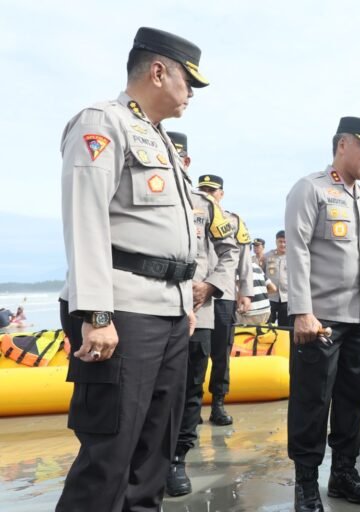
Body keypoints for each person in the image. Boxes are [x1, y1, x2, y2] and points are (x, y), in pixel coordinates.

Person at [56, 27, 208, 511]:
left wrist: (184, 304)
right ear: (159, 71)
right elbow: (86, 217)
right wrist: (96, 313)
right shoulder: (104, 122)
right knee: (108, 459)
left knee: (151, 463)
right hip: (122, 313)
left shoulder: (161, 140)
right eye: (189, 81)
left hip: (167, 313)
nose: (191, 95)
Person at [285, 116, 360, 511]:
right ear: (342, 144)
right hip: (320, 320)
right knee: (312, 402)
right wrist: (302, 312)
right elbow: (297, 251)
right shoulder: (311, 189)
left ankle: (343, 473)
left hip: (359, 319)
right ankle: (306, 484)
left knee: (352, 401)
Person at [164, 133, 238, 497]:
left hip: (199, 311)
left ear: (186, 161)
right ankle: (150, 458)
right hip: (151, 310)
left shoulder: (204, 205)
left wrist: (210, 286)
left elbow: (229, 251)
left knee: (192, 387)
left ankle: (177, 458)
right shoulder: (142, 199)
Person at [199, 174, 254, 426]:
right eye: (204, 190)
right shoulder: (192, 214)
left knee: (221, 353)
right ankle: (192, 405)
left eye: (213, 190)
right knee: (195, 352)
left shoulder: (234, 221)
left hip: (223, 296)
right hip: (197, 294)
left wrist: (246, 292)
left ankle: (218, 403)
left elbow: (243, 259)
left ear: (222, 193)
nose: (209, 194)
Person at [240, 259, 277, 324]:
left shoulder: (240, 266)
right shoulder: (256, 267)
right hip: (266, 310)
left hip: (250, 312)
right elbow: (273, 288)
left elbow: (237, 291)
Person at [266, 230, 289, 325]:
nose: (282, 244)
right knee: (267, 324)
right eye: (280, 241)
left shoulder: (293, 256)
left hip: (286, 297)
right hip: (270, 297)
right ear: (276, 242)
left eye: (285, 242)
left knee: (284, 326)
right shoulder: (267, 256)